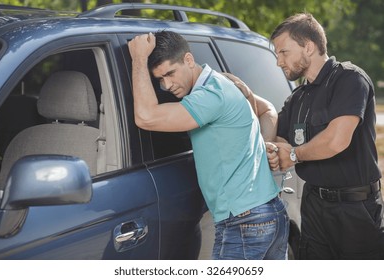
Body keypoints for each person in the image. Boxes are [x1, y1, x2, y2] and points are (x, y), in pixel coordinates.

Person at [128, 30, 289, 260]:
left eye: (170, 73)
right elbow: (265, 110)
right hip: (266, 213)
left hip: (245, 222)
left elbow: (146, 117)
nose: (167, 85)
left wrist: (138, 59)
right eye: (160, 80)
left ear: (189, 60)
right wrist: (260, 145)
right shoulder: (220, 83)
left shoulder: (211, 95)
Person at [269, 12, 384, 259]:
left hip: (355, 210)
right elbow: (279, 136)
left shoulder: (350, 79)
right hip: (313, 206)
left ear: (308, 47)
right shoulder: (296, 97)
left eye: (283, 52)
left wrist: (293, 154)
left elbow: (336, 140)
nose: (278, 61)